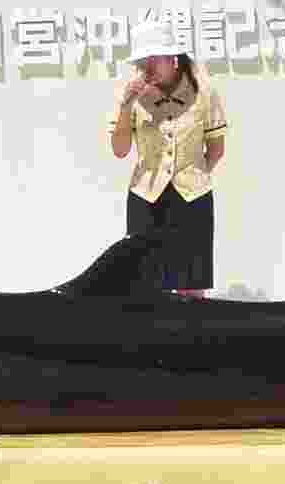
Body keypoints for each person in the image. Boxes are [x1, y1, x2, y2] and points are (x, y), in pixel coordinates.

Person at [106, 21, 228, 299]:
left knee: (191, 290)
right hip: (145, 198)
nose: (147, 66)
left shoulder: (204, 91)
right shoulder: (130, 94)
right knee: (143, 288)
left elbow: (216, 149)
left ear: (173, 57)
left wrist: (194, 176)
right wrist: (126, 106)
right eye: (142, 60)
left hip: (193, 198)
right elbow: (120, 150)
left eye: (154, 58)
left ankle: (192, 330)